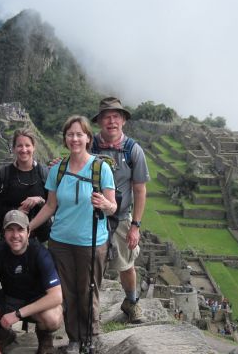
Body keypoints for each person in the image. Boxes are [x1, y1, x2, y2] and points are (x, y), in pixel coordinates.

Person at [29, 115, 117, 353]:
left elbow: (113, 206)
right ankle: (74, 339)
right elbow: (50, 206)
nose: (75, 138)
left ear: (88, 138)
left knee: (88, 291)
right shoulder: (58, 170)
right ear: (65, 139)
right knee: (66, 294)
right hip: (60, 242)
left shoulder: (101, 168)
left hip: (91, 242)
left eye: (80, 134)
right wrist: (29, 227)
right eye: (70, 134)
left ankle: (91, 337)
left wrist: (104, 205)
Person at [0, 210, 63, 354]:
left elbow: (56, 296)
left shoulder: (40, 253)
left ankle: (45, 342)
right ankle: (1, 335)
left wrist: (17, 314)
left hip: (36, 303)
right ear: (4, 233)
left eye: (20, 229)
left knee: (53, 318)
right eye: (10, 229)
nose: (15, 235)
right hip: (7, 300)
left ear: (28, 232)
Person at [91, 96, 150, 323]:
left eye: (116, 116)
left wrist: (135, 226)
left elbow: (140, 190)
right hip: (92, 216)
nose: (112, 121)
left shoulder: (133, 151)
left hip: (121, 218)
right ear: (99, 122)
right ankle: (90, 307)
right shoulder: (90, 145)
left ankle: (132, 302)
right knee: (91, 265)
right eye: (107, 117)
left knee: (126, 265)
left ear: (123, 120)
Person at [0, 129, 50, 243]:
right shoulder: (4, 174)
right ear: (13, 148)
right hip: (10, 238)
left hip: (39, 238)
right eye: (19, 146)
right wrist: (15, 211)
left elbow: (53, 205)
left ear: (34, 147)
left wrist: (40, 200)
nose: (24, 150)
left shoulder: (44, 173)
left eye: (27, 145)